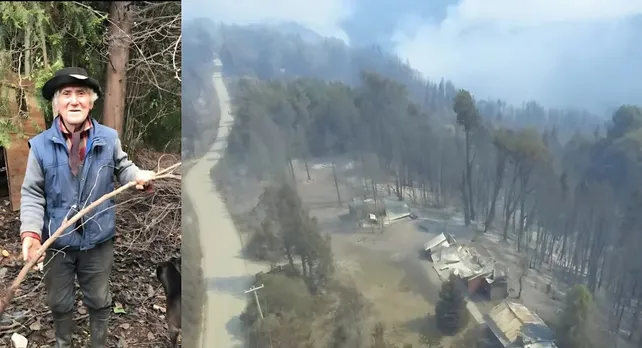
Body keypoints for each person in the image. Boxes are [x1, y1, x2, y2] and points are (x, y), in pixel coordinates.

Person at [19, 67, 155, 347]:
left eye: (81, 94)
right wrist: (31, 234)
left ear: (91, 102)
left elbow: (124, 167)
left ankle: (98, 344)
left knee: (99, 299)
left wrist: (138, 176)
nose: (74, 101)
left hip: (98, 241)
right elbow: (32, 193)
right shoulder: (40, 146)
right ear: (56, 104)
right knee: (59, 302)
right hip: (56, 242)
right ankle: (63, 343)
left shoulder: (107, 138)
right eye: (66, 94)